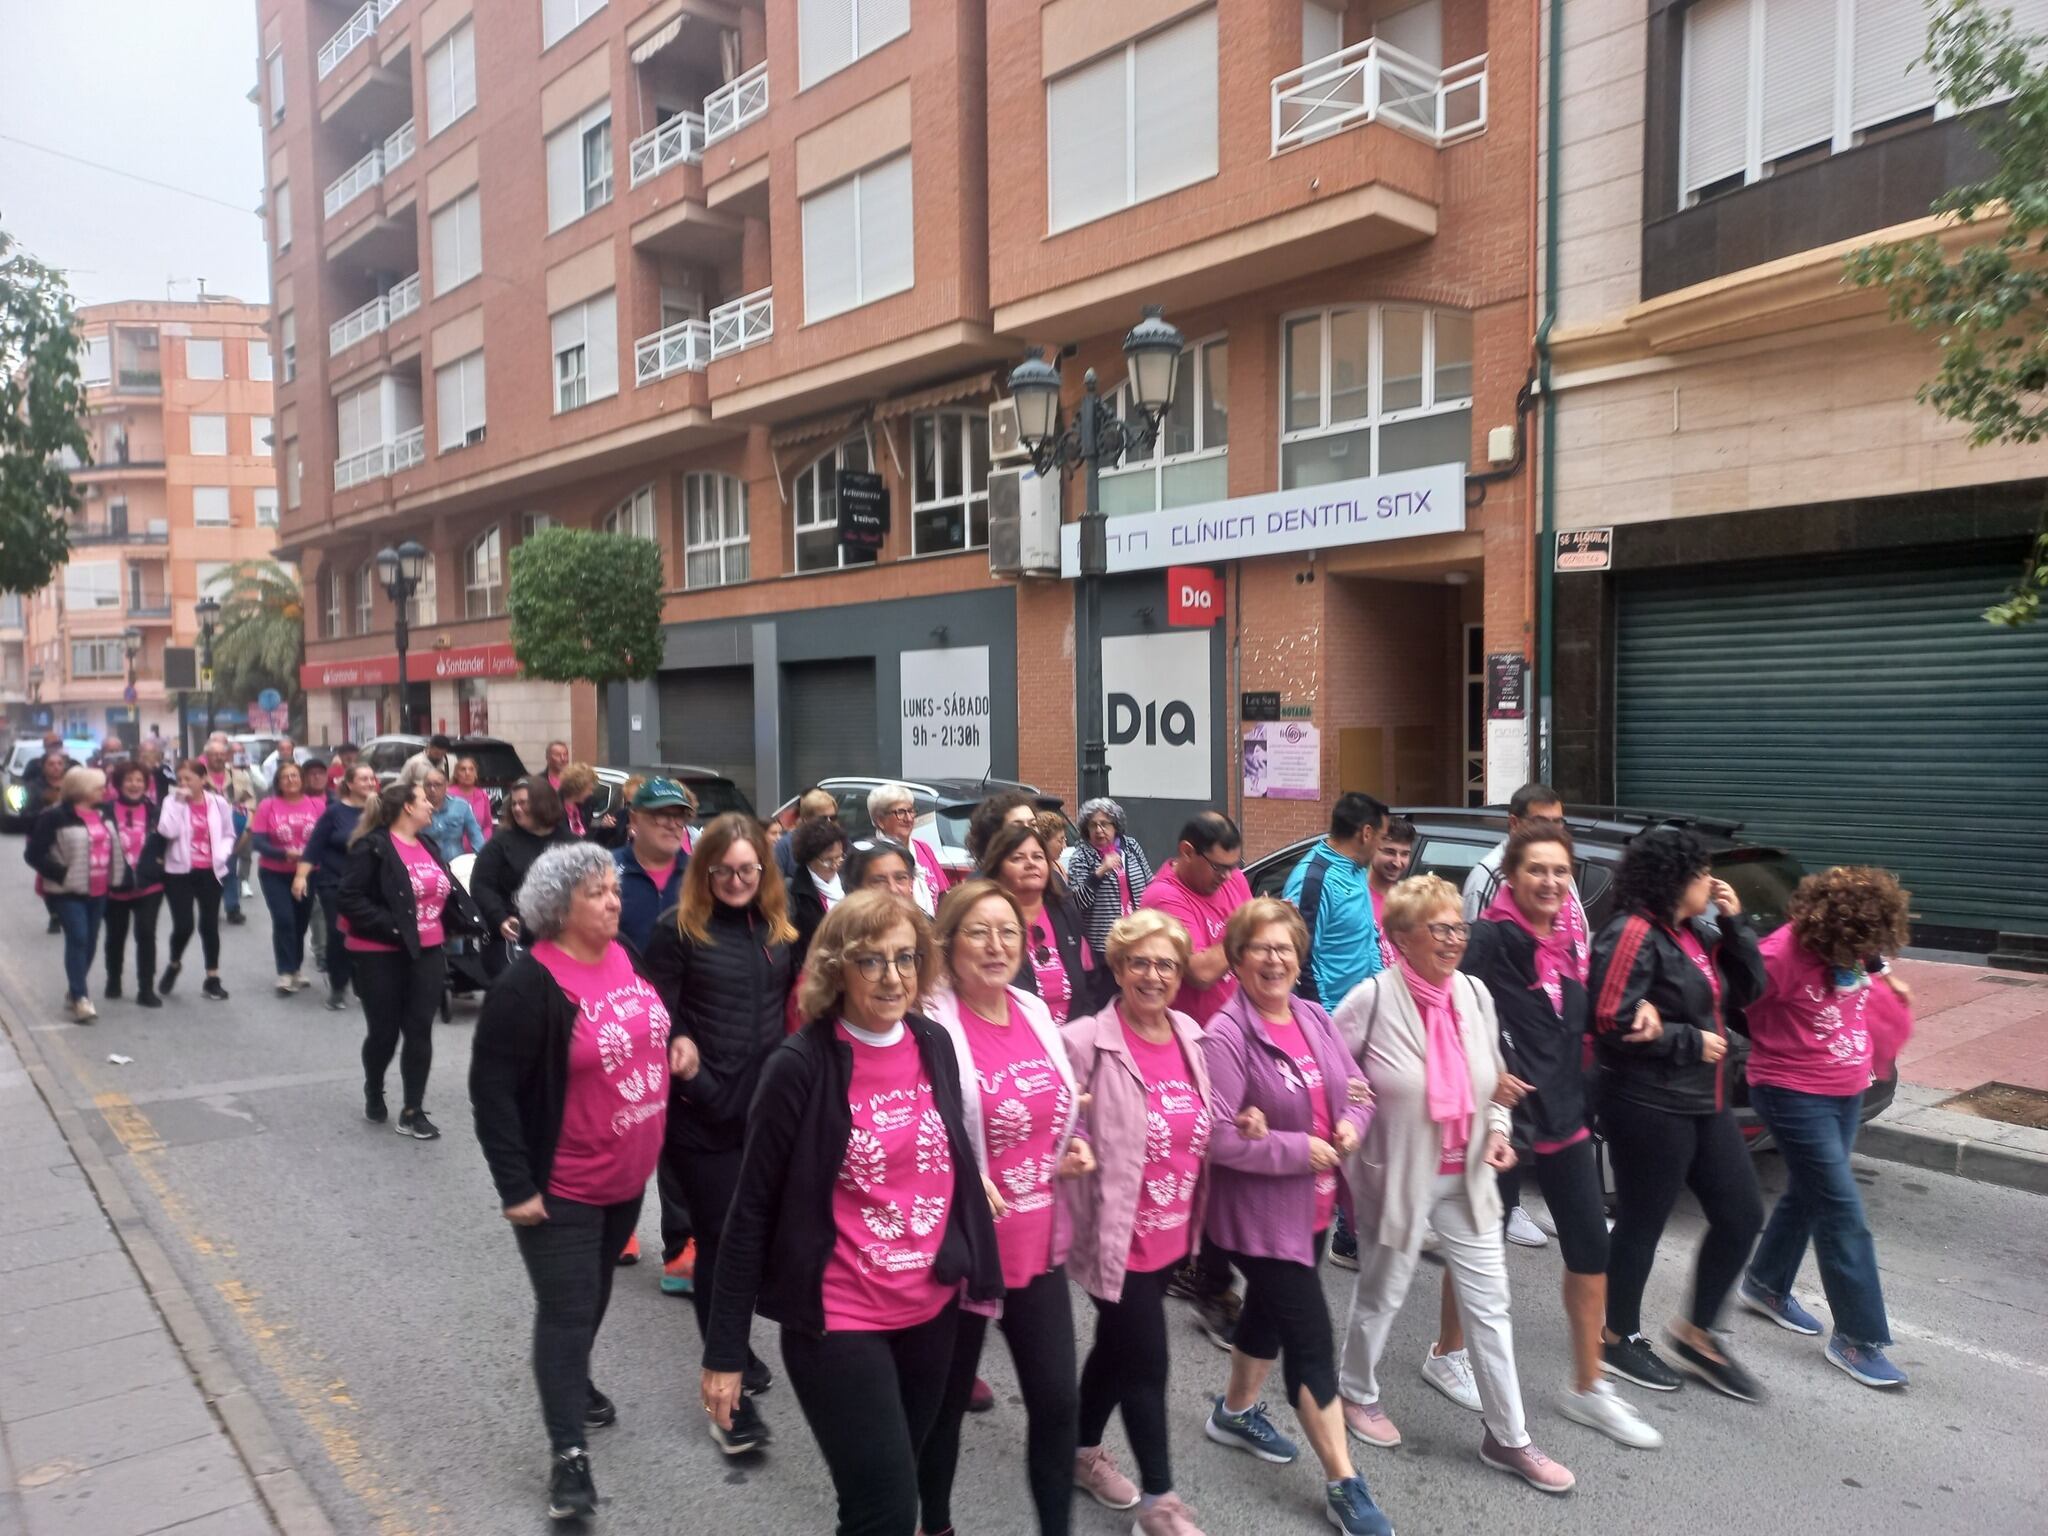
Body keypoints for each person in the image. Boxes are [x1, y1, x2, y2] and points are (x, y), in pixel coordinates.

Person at [701, 890, 1001, 1535]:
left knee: (888, 1494)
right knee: (886, 1511)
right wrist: (725, 1352)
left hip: (930, 1311)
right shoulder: (799, 1067)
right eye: (871, 961)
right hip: (839, 1319)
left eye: (906, 958)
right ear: (837, 968)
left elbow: (948, 1150)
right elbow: (750, 1211)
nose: (892, 977)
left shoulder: (933, 1042)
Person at [1329, 875, 1574, 1493]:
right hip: (1398, 1176)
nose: (1452, 940)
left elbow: (1492, 1076)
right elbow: (1332, 1076)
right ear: (1402, 937)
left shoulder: (1472, 994)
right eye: (1438, 929)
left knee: (1491, 1307)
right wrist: (1350, 1129)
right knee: (1382, 1294)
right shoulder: (1371, 1000)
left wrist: (1497, 1125)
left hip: (1466, 1178)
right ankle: (1355, 1392)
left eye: (1457, 928)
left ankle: (1508, 1437)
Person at [470, 843, 678, 1521]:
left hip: (626, 1176)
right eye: (597, 892)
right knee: (565, 1312)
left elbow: (650, 1018)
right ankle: (568, 1459)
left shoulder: (623, 956)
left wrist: (677, 1043)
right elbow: (492, 1092)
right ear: (558, 908)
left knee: (589, 1299)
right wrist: (516, 1188)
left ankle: (574, 1380)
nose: (614, 901)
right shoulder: (528, 986)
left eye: (614, 888)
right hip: (561, 1186)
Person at [1457, 826, 1662, 1448]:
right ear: (1512, 877)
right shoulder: (1490, 937)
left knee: (1588, 1250)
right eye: (1537, 870)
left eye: (1560, 872)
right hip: (1504, 1117)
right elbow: (1444, 1005)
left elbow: (1595, 1011)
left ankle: (1587, 1386)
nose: (1549, 882)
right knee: (1479, 1246)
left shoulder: (1571, 941)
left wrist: (1647, 1013)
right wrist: (1486, 1069)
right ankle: (1446, 1353)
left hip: (1564, 1113)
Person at [1200, 899, 1392, 1536]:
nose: (1275, 959)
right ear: (1237, 958)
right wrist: (1292, 1148)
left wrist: (1350, 1124)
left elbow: (1358, 1088)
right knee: (1310, 1339)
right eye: (1261, 948)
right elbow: (1217, 1136)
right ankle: (1344, 1481)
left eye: (1285, 948)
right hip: (1258, 1217)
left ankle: (1232, 1412)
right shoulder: (1226, 1035)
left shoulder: (1312, 1016)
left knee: (1267, 1313)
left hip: (1314, 1206)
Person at [917, 881, 1093, 1536]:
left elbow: (1057, 1105)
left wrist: (1070, 1147)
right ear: (949, 941)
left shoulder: (1032, 1008)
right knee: (943, 1409)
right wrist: (962, 1178)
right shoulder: (930, 1023)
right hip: (963, 1252)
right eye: (979, 932)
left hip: (1036, 1242)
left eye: (1008, 933)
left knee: (1056, 1402)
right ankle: (933, 1524)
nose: (996, 946)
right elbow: (914, 1128)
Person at [1589, 827, 1768, 1401]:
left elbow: (1749, 991)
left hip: (1701, 1098)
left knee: (1740, 1214)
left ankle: (1696, 1333)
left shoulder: (1692, 931)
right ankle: (1615, 1337)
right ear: (1673, 879)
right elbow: (1608, 1017)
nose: (1710, 882)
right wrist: (1687, 1040)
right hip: (1647, 1101)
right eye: (1701, 873)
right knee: (1644, 1220)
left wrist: (1736, 925)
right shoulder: (1633, 933)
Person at [645, 814, 796, 1452]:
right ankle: (726, 1392)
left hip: (764, 1117)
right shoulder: (676, 931)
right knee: (724, 1241)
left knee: (759, 1240)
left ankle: (733, 1347)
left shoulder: (779, 930)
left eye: (749, 870)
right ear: (704, 871)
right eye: (725, 870)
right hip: (702, 1118)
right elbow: (660, 1027)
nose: (737, 881)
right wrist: (701, 1086)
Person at [1061, 910, 1213, 1536]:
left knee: (1117, 1352)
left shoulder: (1188, 1034)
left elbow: (1208, 1121)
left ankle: (1077, 1448)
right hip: (1114, 1235)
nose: (1153, 976)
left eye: (1167, 965)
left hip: (1173, 1230)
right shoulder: (1082, 1042)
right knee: (1147, 1360)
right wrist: (1070, 1139)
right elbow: (1048, 1121)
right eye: (1140, 963)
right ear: (1118, 968)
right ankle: (1161, 1500)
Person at [1739, 866, 1914, 1390]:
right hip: (1791, 1092)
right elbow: (1733, 1002)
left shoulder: (1856, 945)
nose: (1861, 954)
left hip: (1846, 1088)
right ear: (1825, 929)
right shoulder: (1778, 956)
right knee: (1842, 1210)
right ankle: (1857, 1339)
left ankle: (1766, 1283)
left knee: (1810, 1193)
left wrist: (1883, 975)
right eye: (1856, 946)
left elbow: (1870, 967)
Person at [1140, 813, 1253, 1347]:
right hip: (1185, 1052)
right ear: (1187, 851)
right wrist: (1248, 931)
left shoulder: (1229, 878)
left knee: (1224, 1168)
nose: (1229, 880)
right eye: (1218, 867)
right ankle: (1207, 1282)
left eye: (1236, 868)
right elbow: (1202, 970)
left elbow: (1244, 952)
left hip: (1235, 1044)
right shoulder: (1164, 898)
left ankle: (1198, 1268)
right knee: (1208, 1169)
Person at [339, 780, 486, 1139]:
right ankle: (374, 1087)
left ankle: (412, 1109)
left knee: (419, 1028)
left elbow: (444, 890)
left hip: (428, 951)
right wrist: (394, 926)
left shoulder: (428, 845)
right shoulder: (372, 848)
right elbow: (349, 899)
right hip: (379, 953)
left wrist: (465, 919)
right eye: (423, 800)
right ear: (407, 807)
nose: (431, 806)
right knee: (384, 1033)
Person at [981, 819, 1109, 1027]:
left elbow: (1090, 977)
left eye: (1038, 856)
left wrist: (1080, 1031)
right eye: (1018, 858)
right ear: (998, 869)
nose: (1031, 863)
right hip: (1017, 1042)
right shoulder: (987, 920)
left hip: (1073, 1041)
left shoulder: (1065, 911)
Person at [26, 766, 128, 1022]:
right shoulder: (55, 816)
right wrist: (61, 873)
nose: (104, 791)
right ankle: (81, 998)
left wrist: (120, 876)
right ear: (81, 789)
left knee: (90, 942)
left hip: (99, 888)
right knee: (79, 938)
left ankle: (74, 991)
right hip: (67, 890)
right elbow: (34, 854)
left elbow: (113, 846)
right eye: (98, 787)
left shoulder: (104, 813)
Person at [1281, 793, 1390, 1008]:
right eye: (1382, 837)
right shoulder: (1313, 880)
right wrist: (1323, 1024)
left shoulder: (1357, 867)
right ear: (1366, 834)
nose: (1380, 846)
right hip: (1332, 1016)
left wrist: (1381, 993)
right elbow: (1301, 959)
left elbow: (1368, 939)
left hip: (1365, 1009)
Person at [470, 779, 574, 976]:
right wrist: (499, 918)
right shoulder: (501, 842)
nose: (517, 809)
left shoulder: (570, 843)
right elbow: (482, 885)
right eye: (514, 804)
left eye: (523, 803)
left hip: (562, 936)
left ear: (542, 803)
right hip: (512, 936)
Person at [298, 763, 379, 1011]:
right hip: (335, 882)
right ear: (350, 784)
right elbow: (314, 846)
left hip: (370, 883)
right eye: (362, 779)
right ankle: (337, 985)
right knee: (339, 933)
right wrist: (300, 876)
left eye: (371, 779)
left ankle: (363, 981)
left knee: (367, 933)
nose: (368, 783)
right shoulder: (334, 812)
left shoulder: (379, 812)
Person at [157, 759, 238, 1002]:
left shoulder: (218, 803)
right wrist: (180, 804)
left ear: (202, 780)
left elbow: (228, 834)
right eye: (180, 779)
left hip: (210, 871)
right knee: (184, 925)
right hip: (178, 872)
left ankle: (212, 978)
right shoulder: (171, 802)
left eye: (188, 779)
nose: (183, 784)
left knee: (209, 925)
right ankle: (174, 963)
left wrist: (221, 856)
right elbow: (167, 832)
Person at [249, 761, 321, 995]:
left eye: (295, 775)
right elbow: (258, 842)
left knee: (300, 923)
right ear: (278, 782)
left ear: (302, 779)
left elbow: (323, 839)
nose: (291, 780)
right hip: (274, 873)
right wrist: (284, 853)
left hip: (308, 873)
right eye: (285, 777)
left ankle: (296, 968)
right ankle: (285, 972)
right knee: (284, 920)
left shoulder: (316, 805)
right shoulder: (268, 806)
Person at [102, 761, 165, 1009]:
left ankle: (146, 988)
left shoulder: (155, 811)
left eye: (139, 780)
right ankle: (113, 979)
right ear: (119, 784)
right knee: (115, 936)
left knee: (146, 934)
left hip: (149, 885)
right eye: (129, 780)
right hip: (116, 884)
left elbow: (168, 839)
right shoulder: (105, 810)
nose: (134, 784)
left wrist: (158, 865)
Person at [1461, 783, 1572, 922]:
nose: (1550, 830)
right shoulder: (1488, 875)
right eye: (1540, 822)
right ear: (1514, 823)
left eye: (1557, 822)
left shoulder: (1560, 864)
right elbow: (1476, 939)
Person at [614, 778, 691, 958]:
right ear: (634, 820)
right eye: (661, 815)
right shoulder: (607, 871)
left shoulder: (700, 874)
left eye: (679, 816)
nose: (672, 825)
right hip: (627, 982)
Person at [1069, 797, 1154, 958]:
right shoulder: (1081, 856)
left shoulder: (1131, 846)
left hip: (1138, 936)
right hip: (1104, 945)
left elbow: (1149, 884)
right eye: (1093, 825)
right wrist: (1100, 871)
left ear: (1115, 826)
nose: (1099, 830)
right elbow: (1077, 902)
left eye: (1104, 824)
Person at [868, 783, 949, 917]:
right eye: (900, 812)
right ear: (880, 820)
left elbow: (943, 897)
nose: (909, 818)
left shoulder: (923, 848)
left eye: (910, 811)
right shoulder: (871, 855)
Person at [203, 736, 257, 925]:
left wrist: (248, 827)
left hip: (231, 828)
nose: (218, 757)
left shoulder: (238, 776)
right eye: (214, 754)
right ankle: (209, 907)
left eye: (221, 754)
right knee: (208, 871)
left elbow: (250, 802)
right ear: (207, 756)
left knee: (229, 868)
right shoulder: (198, 776)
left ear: (227, 756)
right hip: (204, 830)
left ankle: (232, 907)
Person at [787, 815, 849, 971]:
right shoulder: (794, 893)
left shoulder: (848, 884)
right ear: (809, 859)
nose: (835, 866)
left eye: (840, 857)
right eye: (828, 860)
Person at [403, 756, 486, 862]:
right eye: (428, 785)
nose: (432, 789)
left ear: (446, 786)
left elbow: (476, 835)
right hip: (427, 863)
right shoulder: (417, 808)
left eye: (437, 785)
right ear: (423, 786)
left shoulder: (461, 806)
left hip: (456, 865)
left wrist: (480, 861)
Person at [298, 760, 332, 980]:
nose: (316, 778)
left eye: (321, 773)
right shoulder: (300, 800)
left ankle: (332, 947)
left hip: (331, 862)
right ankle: (321, 951)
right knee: (316, 909)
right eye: (311, 774)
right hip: (306, 861)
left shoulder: (334, 800)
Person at [774, 787, 840, 878]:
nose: (829, 823)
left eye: (833, 818)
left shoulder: (841, 843)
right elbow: (775, 884)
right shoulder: (785, 846)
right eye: (822, 819)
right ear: (806, 819)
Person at [966, 790, 1037, 867]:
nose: (1029, 831)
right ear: (994, 835)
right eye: (1017, 826)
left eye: (1033, 824)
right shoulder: (982, 878)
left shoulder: (1046, 873)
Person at [545, 740, 586, 837]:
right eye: (558, 755)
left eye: (566, 754)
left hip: (579, 834)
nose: (563, 759)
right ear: (548, 758)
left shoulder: (575, 780)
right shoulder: (542, 782)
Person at [449, 755, 494, 841]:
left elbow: (488, 825)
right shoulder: (448, 794)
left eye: (471, 769)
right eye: (463, 769)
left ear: (476, 774)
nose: (467, 773)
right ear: (456, 774)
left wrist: (484, 842)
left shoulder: (482, 795)